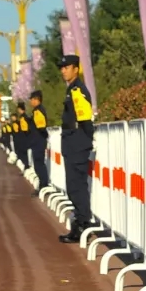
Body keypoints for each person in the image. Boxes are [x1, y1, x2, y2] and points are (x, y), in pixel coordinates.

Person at [57, 55, 93, 243]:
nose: (63, 71)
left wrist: (87, 140)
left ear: (76, 69)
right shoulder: (71, 89)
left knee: (76, 186)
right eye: (62, 68)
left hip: (77, 142)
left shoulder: (77, 90)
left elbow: (85, 119)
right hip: (73, 142)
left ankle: (82, 225)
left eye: (67, 67)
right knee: (74, 186)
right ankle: (80, 224)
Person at [27, 90, 50, 196]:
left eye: (32, 99)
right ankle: (43, 184)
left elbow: (41, 127)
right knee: (38, 163)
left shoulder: (38, 111)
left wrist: (42, 136)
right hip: (38, 140)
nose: (31, 102)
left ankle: (44, 185)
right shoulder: (37, 110)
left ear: (36, 99)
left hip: (38, 140)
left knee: (39, 164)